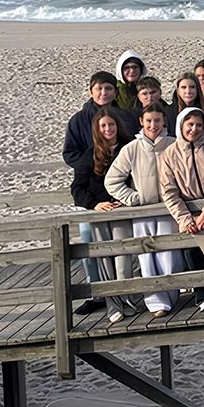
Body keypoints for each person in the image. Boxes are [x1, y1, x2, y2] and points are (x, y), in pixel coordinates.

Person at [104, 103, 179, 317]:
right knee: (147, 257)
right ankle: (155, 303)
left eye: (157, 120)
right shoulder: (132, 148)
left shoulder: (173, 145)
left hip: (168, 209)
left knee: (169, 255)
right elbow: (112, 180)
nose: (153, 125)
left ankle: (171, 299)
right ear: (141, 122)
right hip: (143, 212)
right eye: (149, 121)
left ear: (164, 121)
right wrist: (134, 198)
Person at [158, 104, 204, 311]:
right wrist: (185, 218)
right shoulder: (169, 154)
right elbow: (168, 191)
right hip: (187, 213)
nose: (194, 129)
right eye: (190, 124)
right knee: (194, 254)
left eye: (199, 125)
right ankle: (203, 295)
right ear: (181, 125)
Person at [70, 107, 132, 303]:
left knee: (124, 253)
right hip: (98, 212)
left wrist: (127, 199)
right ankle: (103, 298)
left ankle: (127, 296)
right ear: (97, 129)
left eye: (111, 124)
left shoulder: (129, 148)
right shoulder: (89, 156)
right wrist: (95, 204)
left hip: (125, 209)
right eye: (103, 125)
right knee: (95, 249)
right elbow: (77, 189)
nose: (108, 129)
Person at [63, 71, 136, 165]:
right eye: (99, 88)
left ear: (116, 92)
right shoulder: (78, 120)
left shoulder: (127, 116)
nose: (104, 93)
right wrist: (90, 167)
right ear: (91, 92)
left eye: (108, 88)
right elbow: (70, 153)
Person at [167, 71, 204, 136]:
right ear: (178, 91)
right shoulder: (167, 112)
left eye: (192, 87)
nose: (188, 91)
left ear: (197, 89)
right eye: (184, 87)